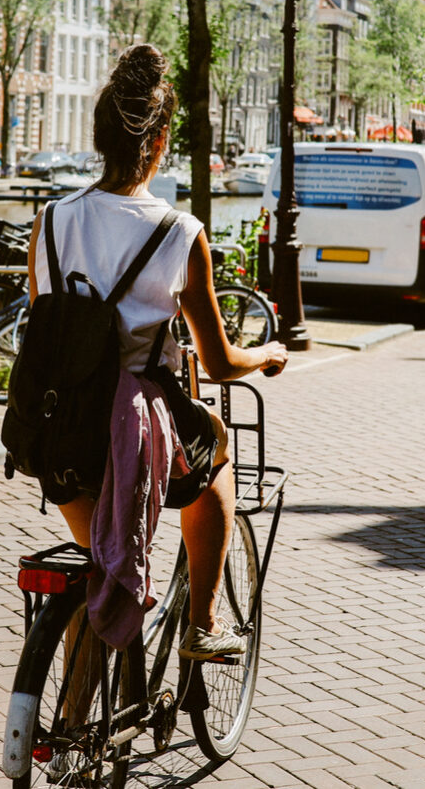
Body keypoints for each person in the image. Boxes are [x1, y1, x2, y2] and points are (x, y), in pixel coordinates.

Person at [27, 43, 287, 661]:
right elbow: (218, 363)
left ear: (98, 138)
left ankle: (69, 713)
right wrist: (265, 353)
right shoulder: (180, 234)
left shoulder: (51, 220)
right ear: (161, 141)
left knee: (94, 569)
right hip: (134, 426)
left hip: (55, 427)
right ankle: (203, 624)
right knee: (216, 448)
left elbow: (46, 321)